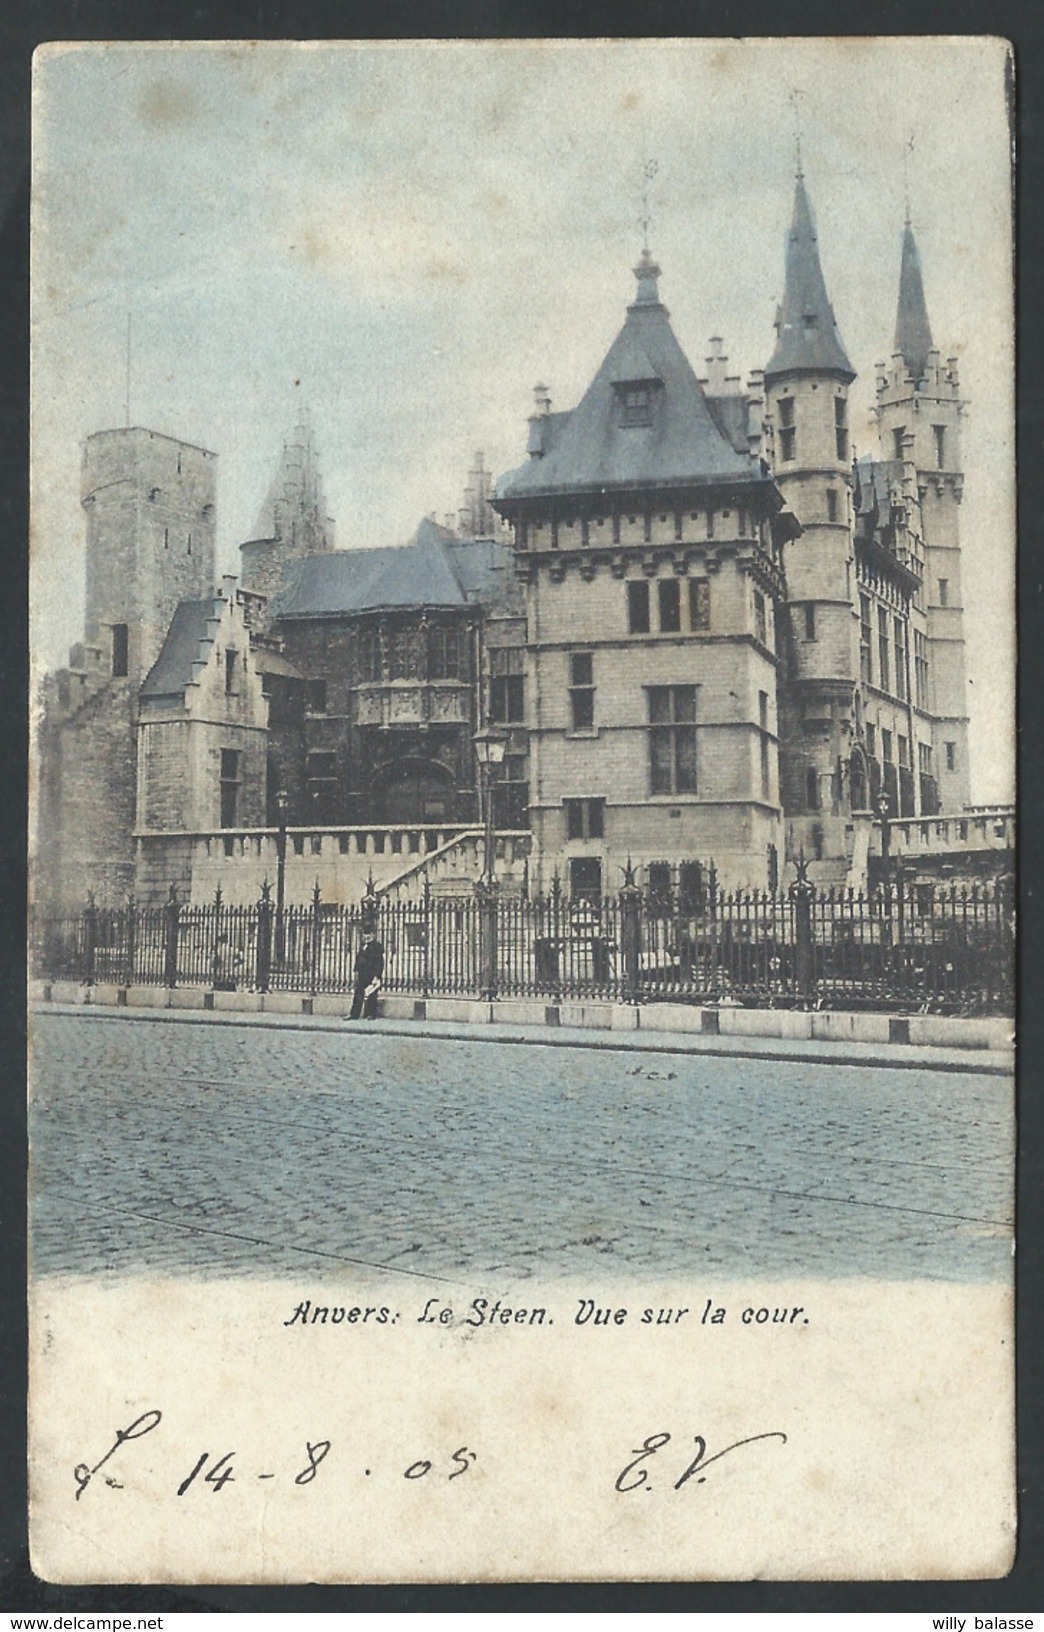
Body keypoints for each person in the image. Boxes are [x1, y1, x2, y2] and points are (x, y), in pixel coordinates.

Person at [349, 930, 385, 1019]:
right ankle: (354, 1014)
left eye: (369, 934)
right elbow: (358, 960)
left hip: (371, 974)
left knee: (372, 994)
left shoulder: (377, 947)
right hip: (362, 974)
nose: (366, 936)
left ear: (374, 935)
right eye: (365, 934)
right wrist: (356, 970)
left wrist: (377, 975)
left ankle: (371, 1014)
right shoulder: (363, 946)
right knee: (358, 993)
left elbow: (379, 962)